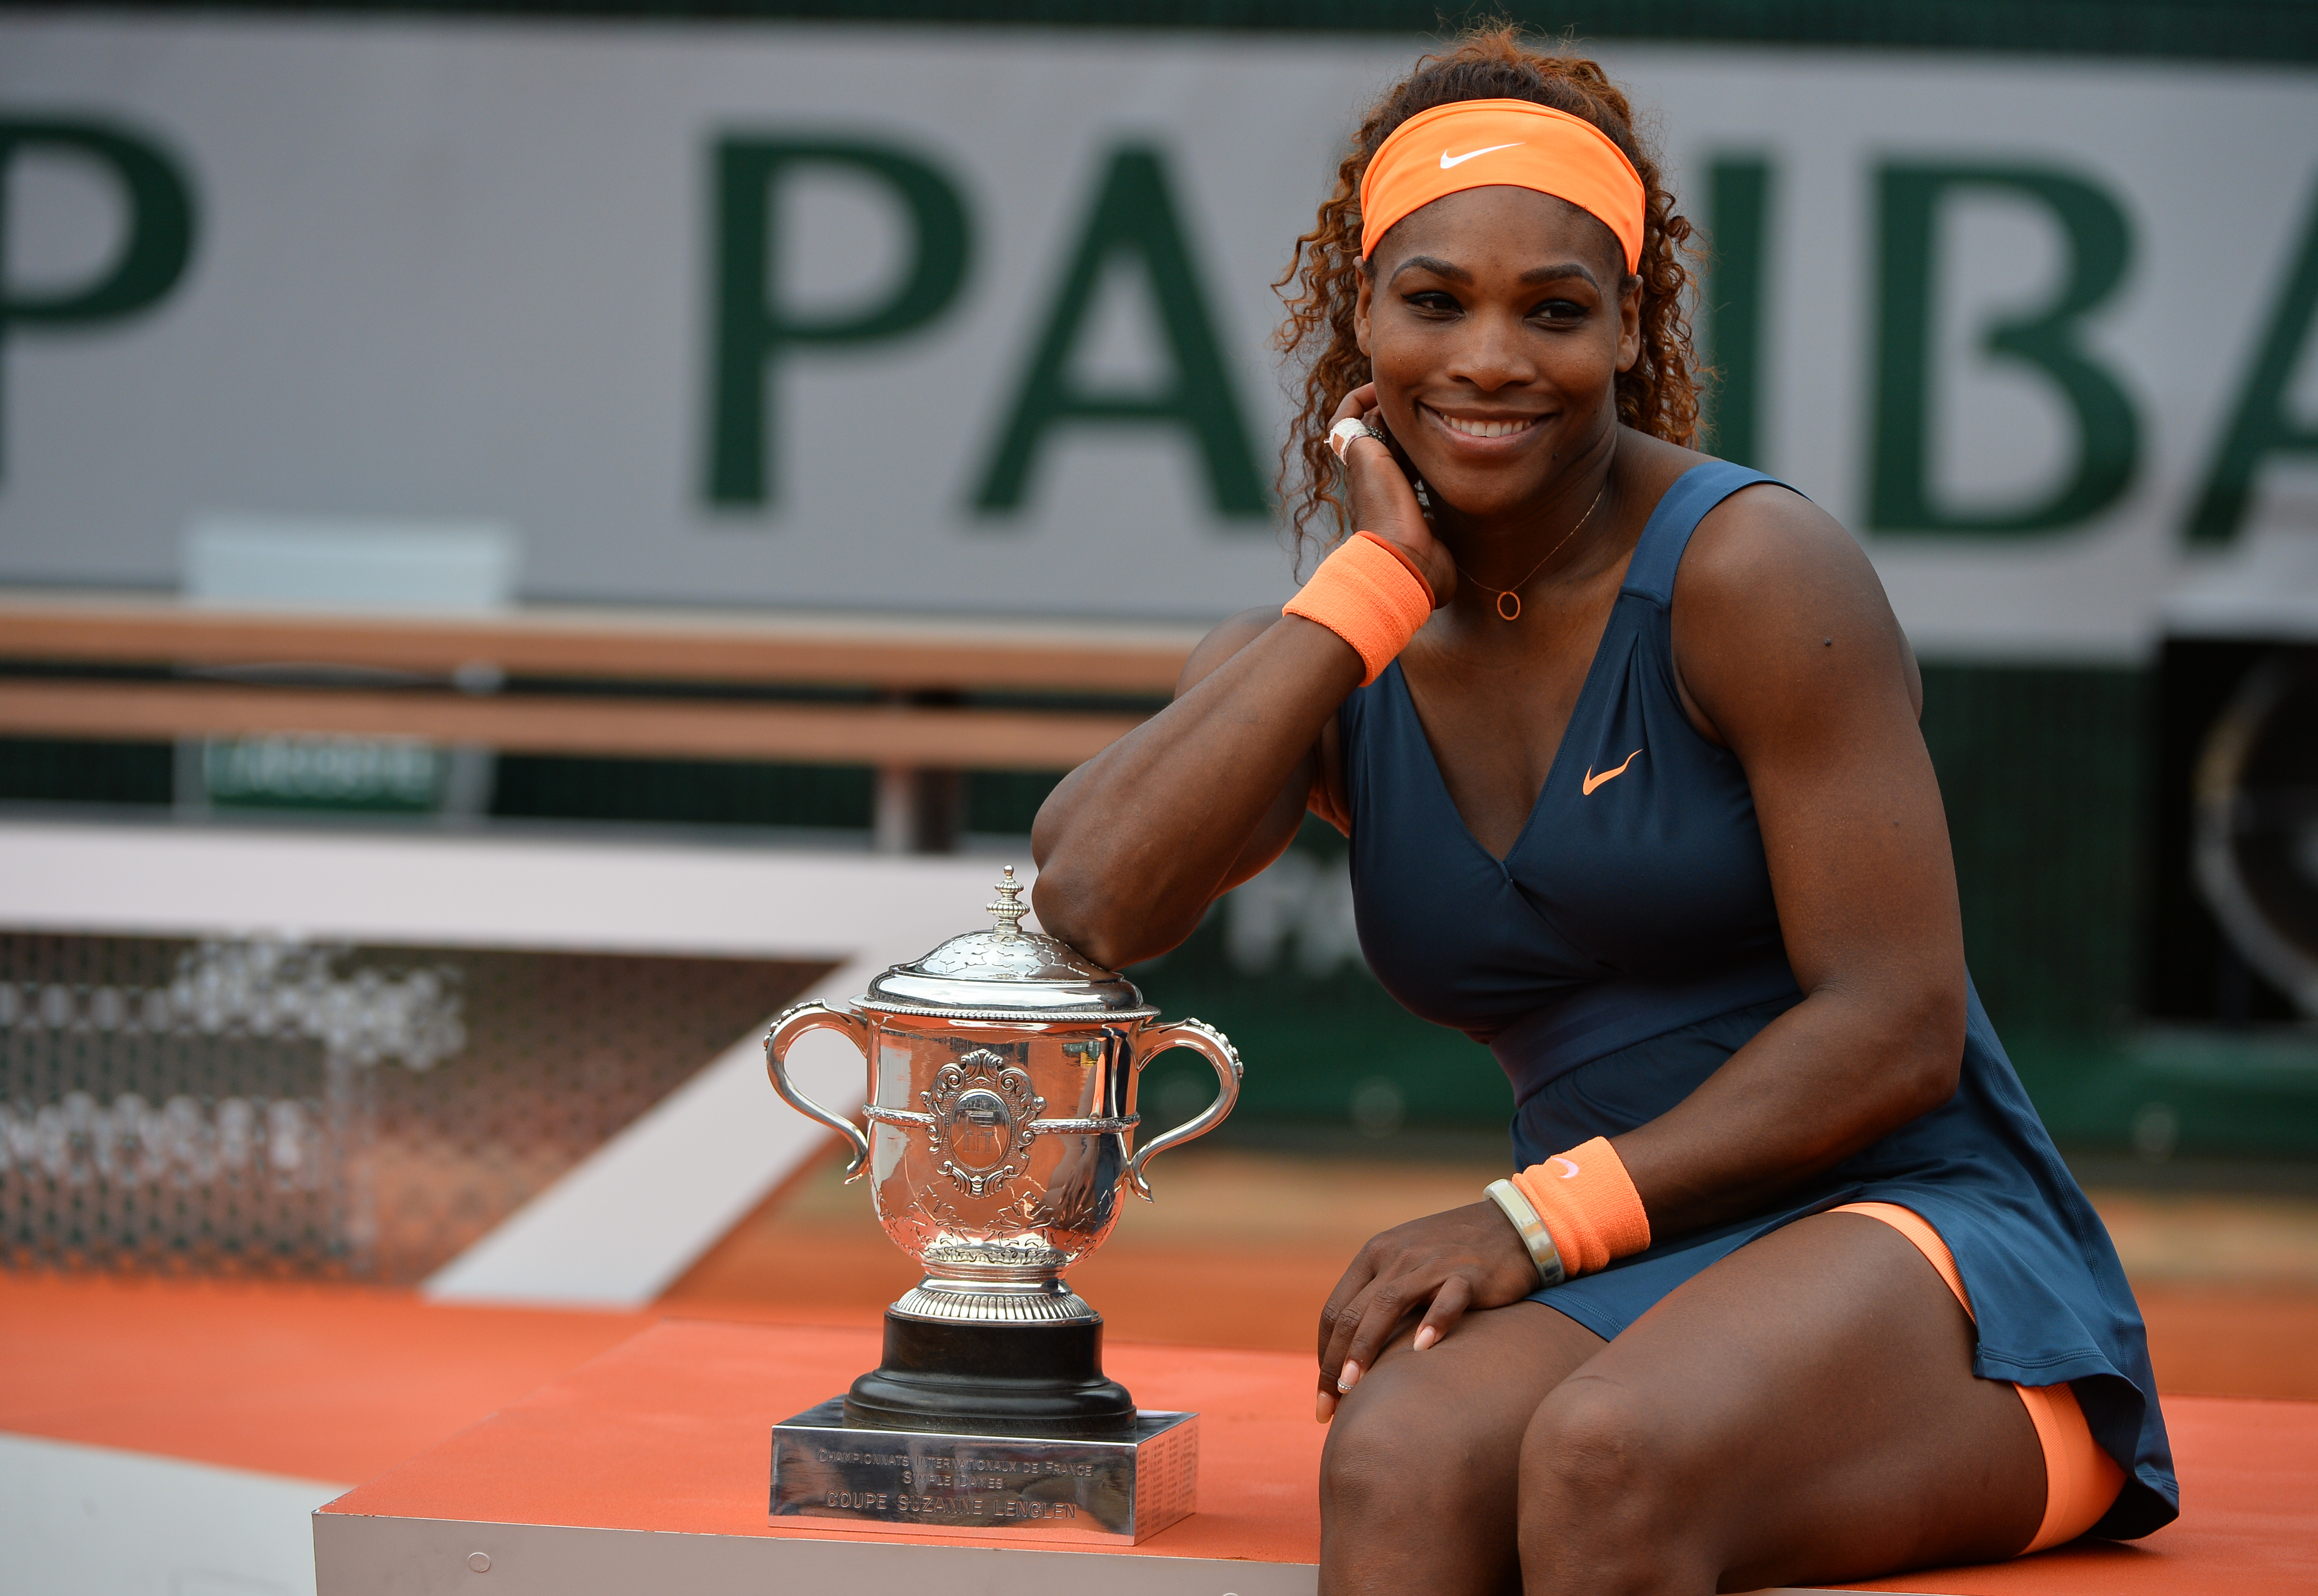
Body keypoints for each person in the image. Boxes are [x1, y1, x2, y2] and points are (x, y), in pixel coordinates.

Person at [1029, 27, 2176, 1595]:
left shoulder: (1756, 572)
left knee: (1603, 1459)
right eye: (1434, 302)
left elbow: (1897, 1025)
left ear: (1627, 329)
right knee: (1397, 1457)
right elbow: (1091, 898)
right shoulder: (1336, 650)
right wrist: (1369, 590)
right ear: (1359, 312)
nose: (1491, 359)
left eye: (1554, 312)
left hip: (1934, 1257)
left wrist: (1534, 1216)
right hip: (1639, 1265)